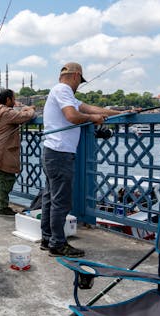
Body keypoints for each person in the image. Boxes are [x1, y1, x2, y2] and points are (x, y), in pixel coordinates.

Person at [40, 62, 121, 257]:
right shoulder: (63, 90)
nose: (78, 85)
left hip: (52, 152)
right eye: (79, 81)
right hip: (60, 153)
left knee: (50, 197)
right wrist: (93, 119)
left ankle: (47, 238)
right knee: (61, 201)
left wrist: (120, 114)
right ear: (76, 76)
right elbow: (72, 116)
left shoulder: (63, 93)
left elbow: (90, 108)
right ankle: (58, 244)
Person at [0, 89, 36, 215]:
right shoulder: (6, 113)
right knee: (6, 179)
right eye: (13, 99)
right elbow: (26, 117)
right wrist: (30, 109)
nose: (14, 102)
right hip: (3, 151)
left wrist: (23, 109)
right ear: (8, 100)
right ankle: (3, 207)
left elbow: (15, 115)